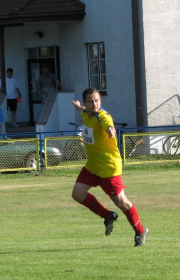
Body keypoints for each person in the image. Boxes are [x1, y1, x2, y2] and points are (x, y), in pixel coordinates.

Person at [70, 88, 148, 247]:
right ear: (86, 103)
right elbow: (81, 110)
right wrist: (77, 106)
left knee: (121, 202)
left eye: (97, 100)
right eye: (91, 101)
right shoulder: (85, 113)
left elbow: (108, 124)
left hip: (108, 167)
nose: (94, 104)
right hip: (92, 166)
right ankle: (108, 216)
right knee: (78, 194)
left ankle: (140, 231)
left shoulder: (102, 116)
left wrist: (111, 130)